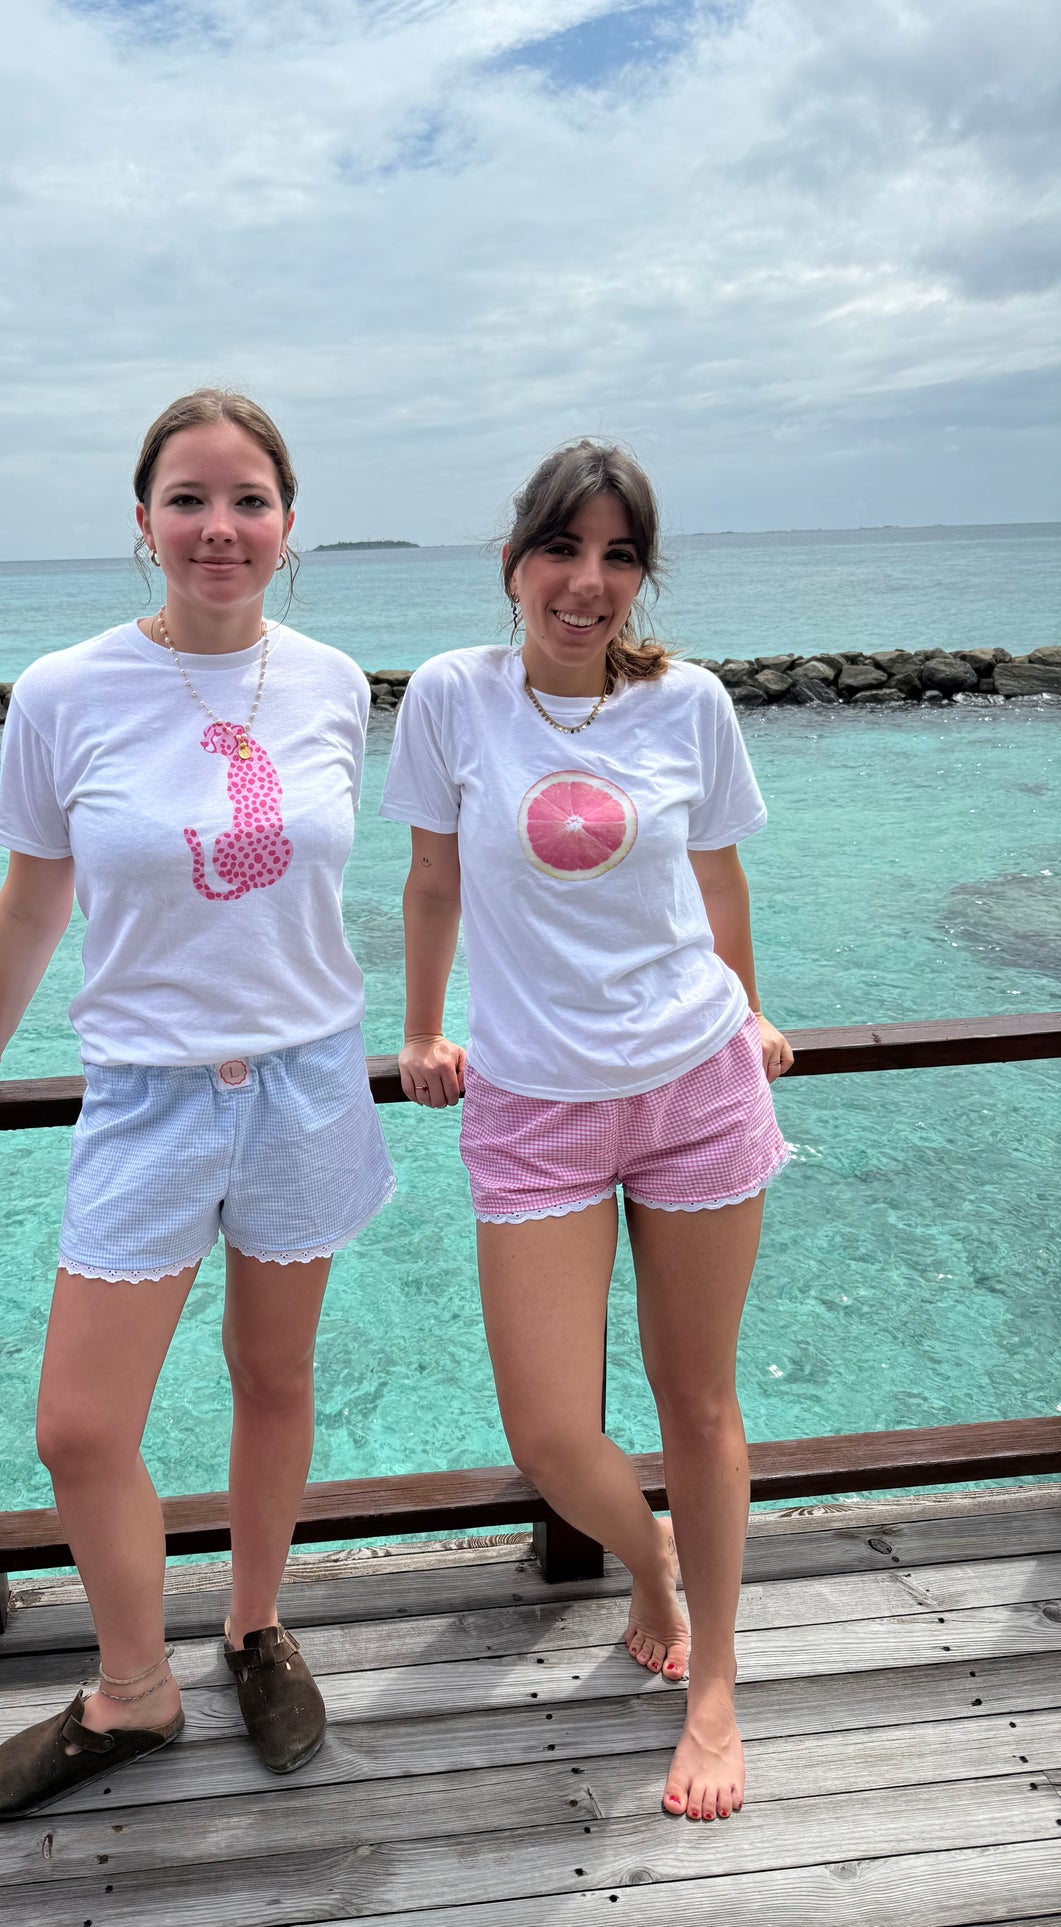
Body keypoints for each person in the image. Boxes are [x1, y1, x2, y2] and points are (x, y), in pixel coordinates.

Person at [0, 390, 394, 1817]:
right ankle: (133, 1688)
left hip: (308, 1077)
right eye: (188, 498)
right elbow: (35, 886)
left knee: (274, 1378)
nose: (218, 527)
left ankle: (254, 1627)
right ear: (142, 523)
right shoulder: (63, 689)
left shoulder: (332, 682)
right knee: (78, 1426)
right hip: (145, 1093)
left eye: (247, 500)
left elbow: (351, 882)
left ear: (288, 527)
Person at [381, 440, 792, 1825]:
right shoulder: (451, 698)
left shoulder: (689, 703)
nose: (587, 582)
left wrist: (752, 1008)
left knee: (698, 1404)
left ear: (640, 576)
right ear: (514, 564)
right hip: (532, 1100)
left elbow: (718, 871)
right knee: (553, 1433)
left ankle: (716, 1683)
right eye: (563, 550)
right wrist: (422, 1027)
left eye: (618, 556)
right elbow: (430, 875)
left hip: (693, 1081)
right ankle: (654, 1564)